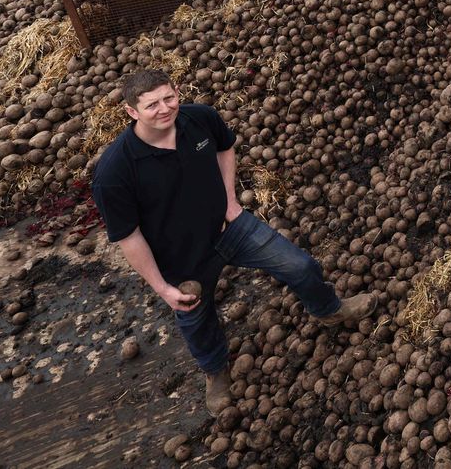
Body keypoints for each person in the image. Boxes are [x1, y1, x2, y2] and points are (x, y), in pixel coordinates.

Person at [91, 70, 374, 412]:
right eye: (152, 105)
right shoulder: (115, 171)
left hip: (231, 229)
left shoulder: (199, 118)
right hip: (181, 258)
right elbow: (128, 236)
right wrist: (161, 288)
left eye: (169, 98)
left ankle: (329, 309)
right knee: (197, 320)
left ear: (177, 92)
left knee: (299, 265)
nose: (164, 109)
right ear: (132, 112)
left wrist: (230, 202)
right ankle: (215, 370)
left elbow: (226, 148)